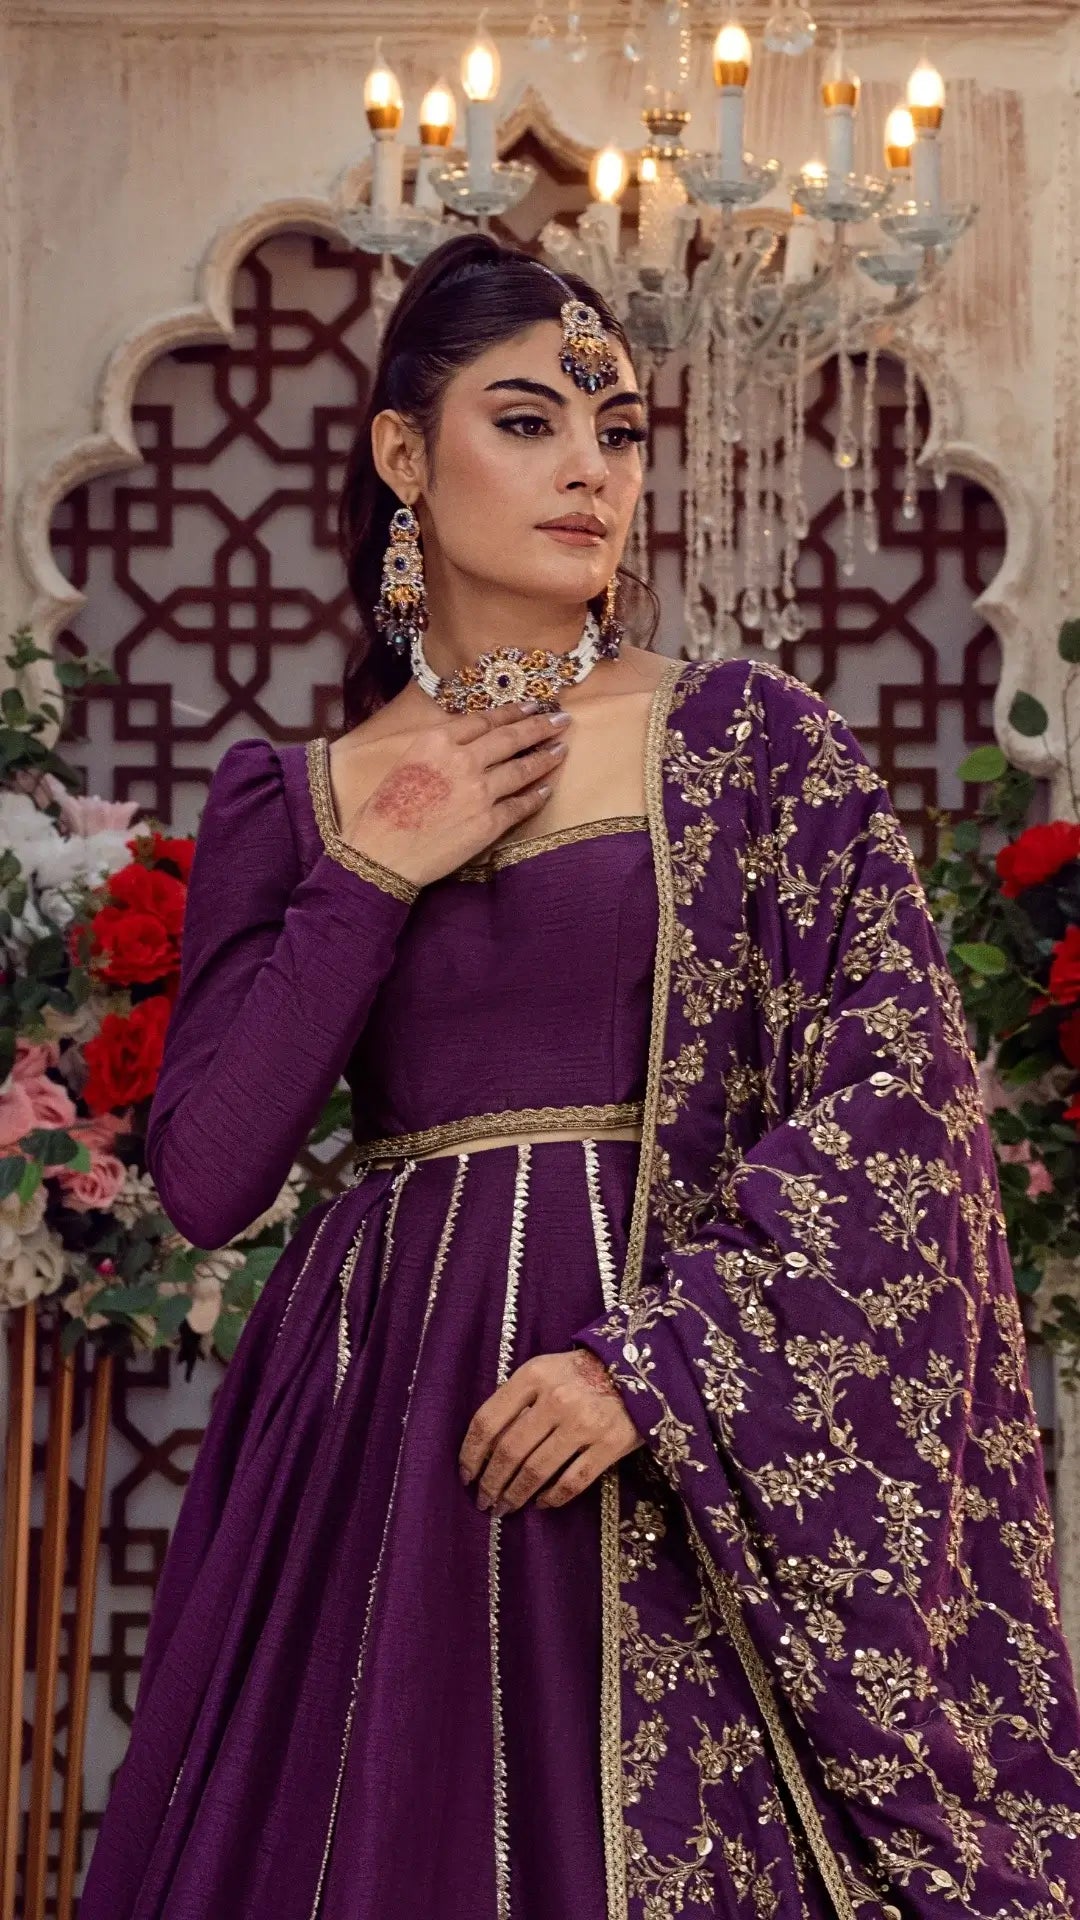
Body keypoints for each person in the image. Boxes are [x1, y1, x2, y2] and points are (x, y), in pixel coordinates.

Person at [78, 233, 1080, 1920]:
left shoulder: (752, 745)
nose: (591, 474)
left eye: (617, 434)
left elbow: (903, 1109)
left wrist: (661, 1367)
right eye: (529, 421)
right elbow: (208, 1176)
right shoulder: (295, 797)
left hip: (664, 1410)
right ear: (404, 451)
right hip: (385, 1435)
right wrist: (375, 871)